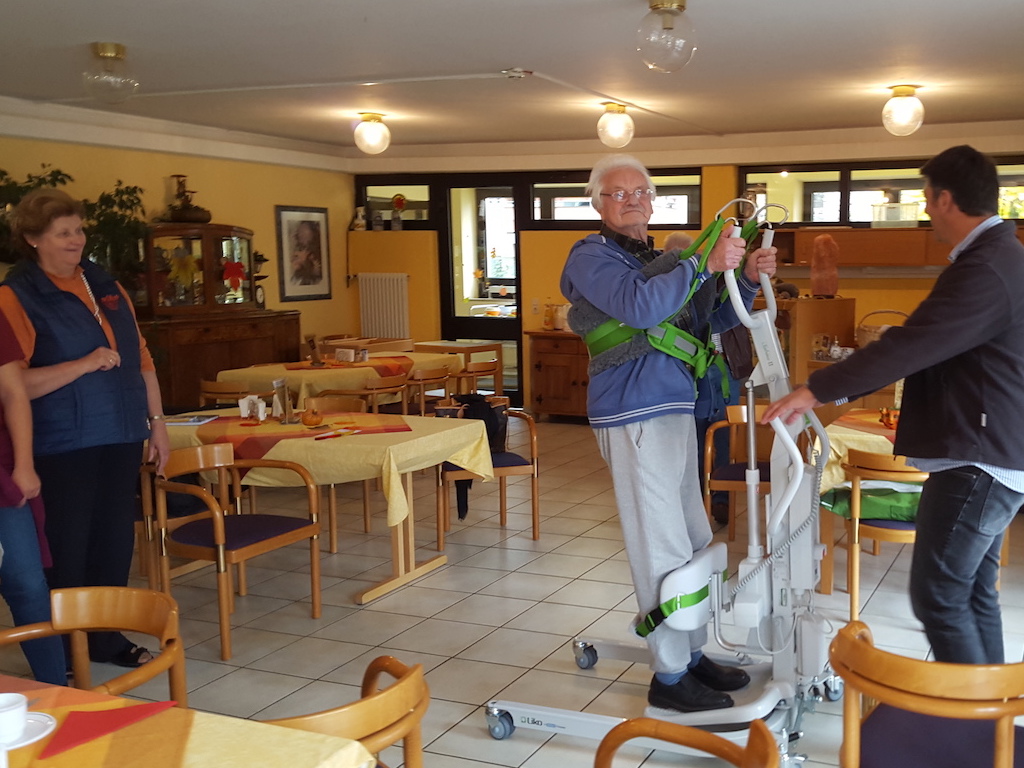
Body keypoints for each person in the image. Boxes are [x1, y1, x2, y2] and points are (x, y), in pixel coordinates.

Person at [763, 145, 1024, 665]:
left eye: (927, 199)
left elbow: (914, 344)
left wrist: (816, 388)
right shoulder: (999, 257)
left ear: (945, 199)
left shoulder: (988, 267)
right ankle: (986, 707)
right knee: (971, 592)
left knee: (939, 594)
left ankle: (965, 709)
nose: (926, 210)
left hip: (979, 457)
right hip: (988, 448)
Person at [560, 154, 777, 713]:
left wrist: (746, 277)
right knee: (659, 545)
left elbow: (712, 320)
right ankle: (670, 673)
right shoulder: (591, 256)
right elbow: (640, 307)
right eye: (618, 193)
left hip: (676, 406)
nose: (632, 200)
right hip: (632, 411)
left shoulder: (658, 259)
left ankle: (692, 652)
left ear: (653, 202)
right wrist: (703, 262)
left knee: (692, 538)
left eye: (641, 191)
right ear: (597, 203)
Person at [2, 188, 171, 668]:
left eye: (78, 230)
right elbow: (14, 385)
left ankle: (104, 638)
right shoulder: (16, 295)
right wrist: (83, 364)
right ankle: (65, 648)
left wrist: (157, 424)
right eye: (63, 233)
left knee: (114, 544)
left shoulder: (104, 284)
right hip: (61, 444)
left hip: (121, 434)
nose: (76, 240)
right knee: (68, 550)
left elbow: (141, 358)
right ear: (33, 239)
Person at [664, 231, 752, 526]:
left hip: (723, 368)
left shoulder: (718, 279)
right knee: (694, 440)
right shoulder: (666, 290)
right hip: (690, 373)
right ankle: (696, 500)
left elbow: (732, 316)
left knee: (723, 435)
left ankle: (721, 499)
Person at [0, 309, 66, 685]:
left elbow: (13, 391)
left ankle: (56, 689)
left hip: (2, 473)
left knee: (26, 583)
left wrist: (24, 464)